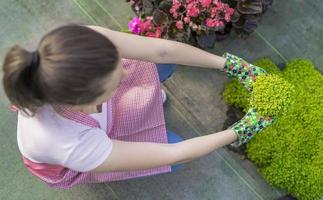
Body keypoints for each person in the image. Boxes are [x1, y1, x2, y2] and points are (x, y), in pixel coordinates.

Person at [2, 25, 274, 189]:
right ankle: (141, 110)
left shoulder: (78, 45)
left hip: (92, 122)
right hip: (85, 149)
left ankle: (144, 103)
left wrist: (230, 65)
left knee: (159, 64)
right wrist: (244, 128)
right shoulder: (70, 144)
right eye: (114, 81)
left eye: (115, 64)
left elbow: (161, 52)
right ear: (85, 102)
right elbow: (175, 154)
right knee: (172, 150)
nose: (124, 71)